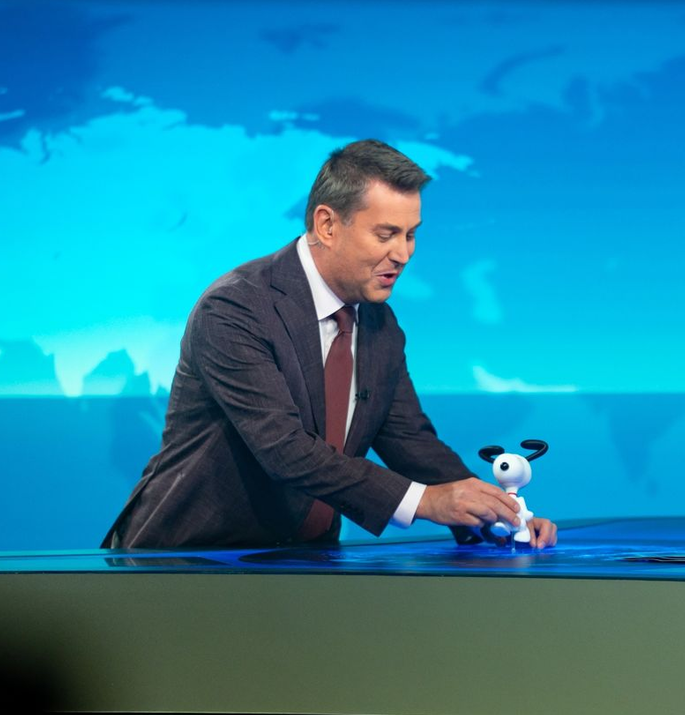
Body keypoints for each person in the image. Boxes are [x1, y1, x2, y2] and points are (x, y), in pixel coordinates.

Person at [102, 139, 557, 551]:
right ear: (327, 225)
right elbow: (285, 450)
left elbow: (408, 440)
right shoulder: (236, 308)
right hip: (185, 563)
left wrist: (497, 514)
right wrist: (426, 502)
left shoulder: (378, 322)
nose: (403, 253)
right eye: (386, 234)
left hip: (303, 564)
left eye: (411, 233)